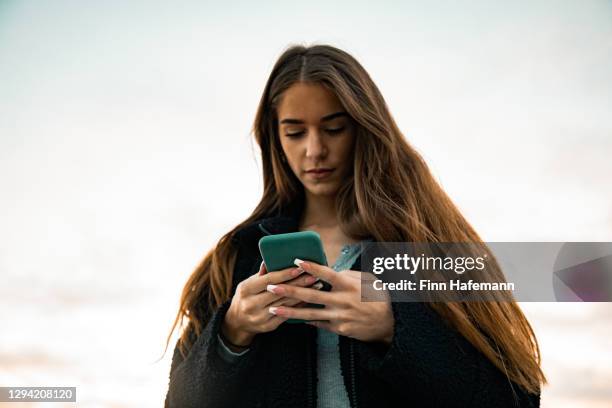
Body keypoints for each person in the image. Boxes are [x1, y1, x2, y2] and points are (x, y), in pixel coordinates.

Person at [163, 44, 546, 408]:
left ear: (364, 127)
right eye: (295, 132)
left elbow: (518, 399)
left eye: (334, 128)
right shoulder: (236, 258)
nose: (314, 150)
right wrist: (231, 333)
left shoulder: (429, 248)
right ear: (275, 138)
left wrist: (395, 330)